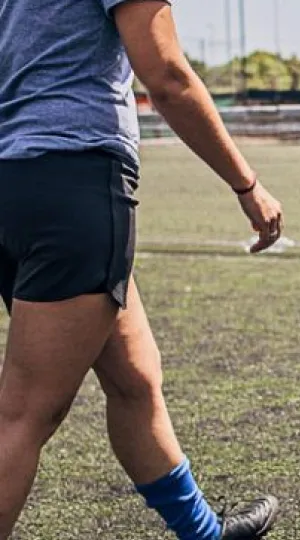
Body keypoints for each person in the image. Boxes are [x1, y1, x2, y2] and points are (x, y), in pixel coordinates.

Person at [0, 1, 283, 539]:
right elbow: (167, 75)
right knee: (24, 413)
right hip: (74, 185)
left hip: (16, 184)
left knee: (135, 376)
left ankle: (204, 534)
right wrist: (247, 184)